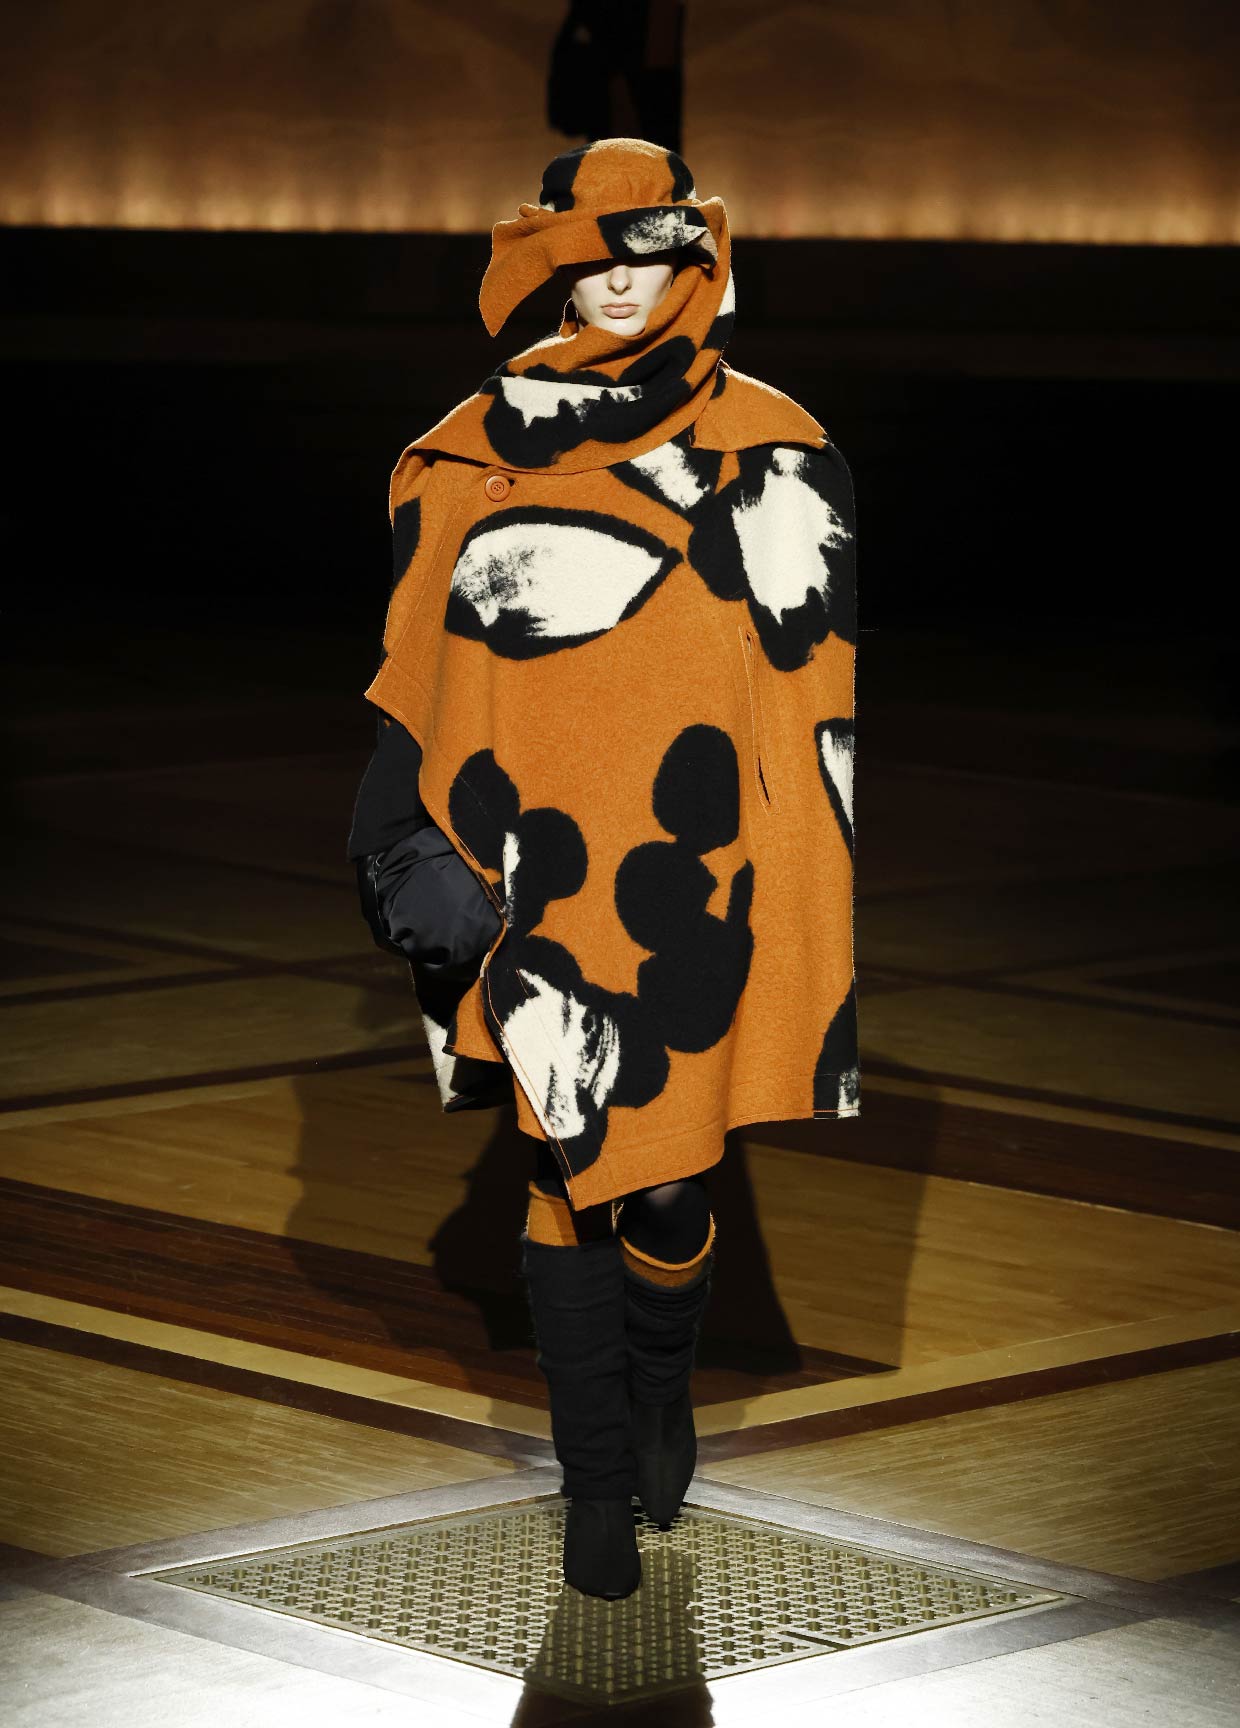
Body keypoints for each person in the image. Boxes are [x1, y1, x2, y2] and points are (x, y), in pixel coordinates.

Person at [347, 137, 859, 1601]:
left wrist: (801, 908)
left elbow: (807, 705)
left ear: (696, 258)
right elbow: (418, 665)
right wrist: (397, 831)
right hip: (534, 854)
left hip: (697, 871)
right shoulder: (477, 443)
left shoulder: (777, 445)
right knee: (563, 1166)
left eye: (651, 251)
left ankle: (661, 1385)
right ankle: (590, 1484)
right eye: (593, 255)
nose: (622, 281)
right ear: (556, 264)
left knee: (675, 1186)